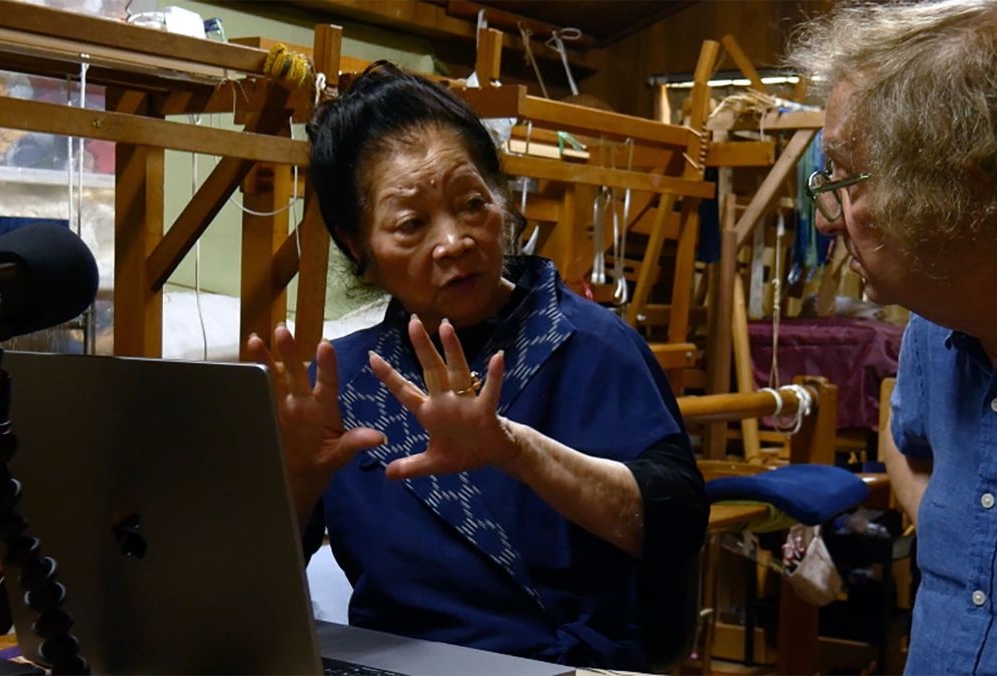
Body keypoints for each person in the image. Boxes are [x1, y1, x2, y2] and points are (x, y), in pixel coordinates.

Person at [247, 61, 707, 670]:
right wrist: (297, 479)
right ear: (357, 244)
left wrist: (514, 450)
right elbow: (250, 590)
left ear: (500, 197)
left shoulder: (590, 346)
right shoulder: (345, 384)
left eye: (471, 204)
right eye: (412, 223)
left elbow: (676, 526)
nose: (455, 240)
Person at [787, 0, 997, 672]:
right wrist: (973, 526)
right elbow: (904, 438)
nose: (828, 219)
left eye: (849, 177)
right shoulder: (934, 324)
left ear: (967, 184)